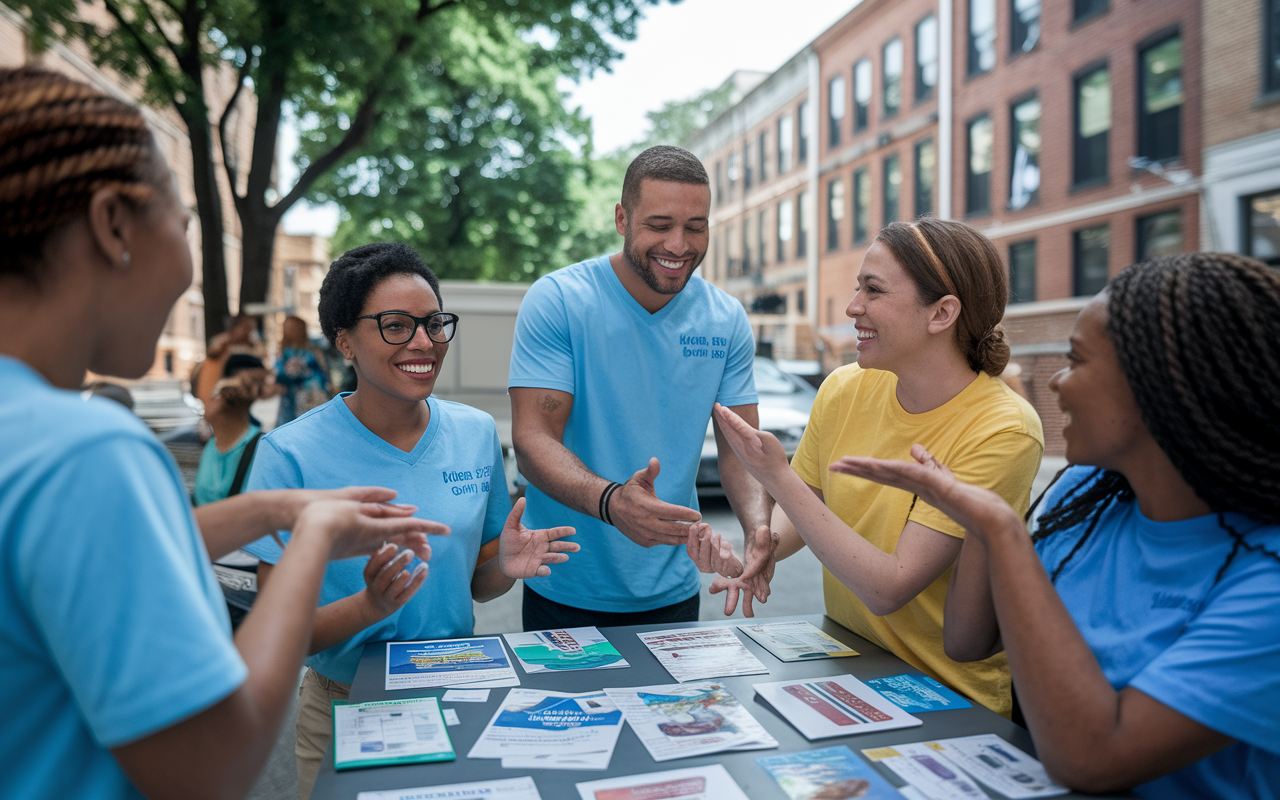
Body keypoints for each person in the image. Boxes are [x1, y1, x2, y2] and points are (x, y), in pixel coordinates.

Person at [0, 66, 444, 800]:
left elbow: (82, 555)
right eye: (183, 224)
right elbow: (213, 764)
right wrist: (312, 541)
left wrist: (272, 512)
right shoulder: (90, 449)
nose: (185, 263)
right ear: (114, 224)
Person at [832, 252, 1280, 797]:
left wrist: (1002, 529)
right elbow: (968, 641)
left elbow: (1095, 761)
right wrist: (977, 518)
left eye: (1077, 361)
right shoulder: (1085, 494)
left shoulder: (1267, 582)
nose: (1060, 383)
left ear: (1159, 388)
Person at [241, 242, 580, 800]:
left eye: (433, 323)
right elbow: (279, 635)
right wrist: (370, 607)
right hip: (345, 710)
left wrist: (506, 565)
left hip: (459, 701)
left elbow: (478, 582)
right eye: (395, 326)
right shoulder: (289, 454)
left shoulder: (473, 434)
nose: (424, 342)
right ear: (344, 340)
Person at [712, 217, 1044, 717]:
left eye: (874, 290)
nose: (852, 307)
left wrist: (774, 477)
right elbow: (808, 505)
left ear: (942, 313)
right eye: (856, 287)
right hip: (850, 667)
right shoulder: (845, 387)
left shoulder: (1003, 429)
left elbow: (888, 587)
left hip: (946, 698)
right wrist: (763, 547)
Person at [508, 144, 772, 631]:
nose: (679, 244)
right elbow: (532, 439)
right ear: (622, 218)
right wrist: (613, 502)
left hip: (673, 591)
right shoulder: (560, 300)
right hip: (564, 585)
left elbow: (743, 449)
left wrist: (759, 528)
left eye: (696, 227)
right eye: (659, 224)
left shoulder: (726, 318)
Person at [192, 356, 276, 506]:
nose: (208, 402)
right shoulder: (212, 446)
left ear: (229, 402)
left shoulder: (261, 448)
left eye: (214, 397)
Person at [194, 313, 267, 405]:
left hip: (249, 395)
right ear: (236, 326)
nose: (248, 330)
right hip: (224, 394)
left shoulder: (256, 346)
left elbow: (263, 367)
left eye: (250, 327)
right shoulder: (222, 342)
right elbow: (212, 357)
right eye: (245, 326)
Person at [274, 314, 331, 425]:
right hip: (290, 399)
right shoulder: (284, 351)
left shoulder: (312, 350)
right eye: (285, 327)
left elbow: (321, 374)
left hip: (309, 398)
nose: (286, 331)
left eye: (290, 327)